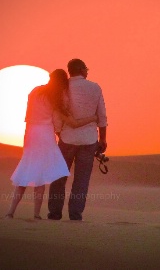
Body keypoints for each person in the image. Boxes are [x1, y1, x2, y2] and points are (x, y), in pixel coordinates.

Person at [5, 69, 98, 220]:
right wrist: (93, 118)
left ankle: (11, 211)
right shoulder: (55, 97)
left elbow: (28, 115)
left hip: (30, 134)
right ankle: (36, 214)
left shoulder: (35, 91)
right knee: (40, 175)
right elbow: (69, 123)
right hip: (45, 135)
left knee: (26, 170)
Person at [48, 59, 107, 221]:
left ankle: (54, 213)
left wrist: (59, 132)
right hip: (89, 140)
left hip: (67, 138)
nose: (87, 71)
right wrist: (103, 139)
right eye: (86, 69)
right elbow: (102, 116)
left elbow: (57, 113)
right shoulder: (95, 87)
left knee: (59, 177)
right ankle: (75, 214)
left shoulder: (63, 87)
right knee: (81, 179)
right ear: (81, 70)